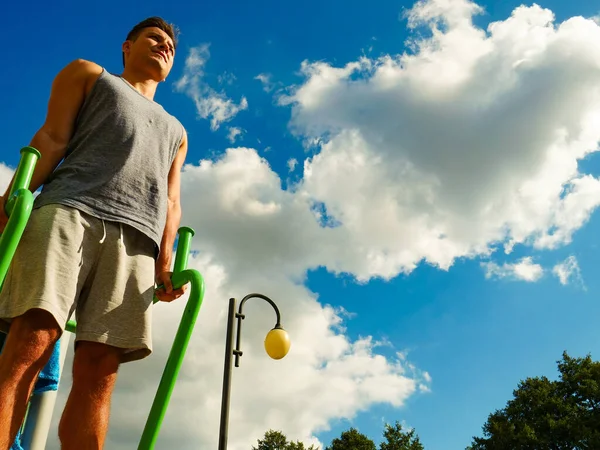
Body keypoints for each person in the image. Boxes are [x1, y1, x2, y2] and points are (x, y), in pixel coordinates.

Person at [0, 17, 188, 450]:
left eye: (170, 47)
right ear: (127, 46)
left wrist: (165, 258)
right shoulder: (90, 75)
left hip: (137, 241)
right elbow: (51, 138)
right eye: (153, 39)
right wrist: (8, 207)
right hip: (69, 213)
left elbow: (172, 201)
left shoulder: (177, 131)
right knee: (33, 341)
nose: (163, 47)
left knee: (100, 371)